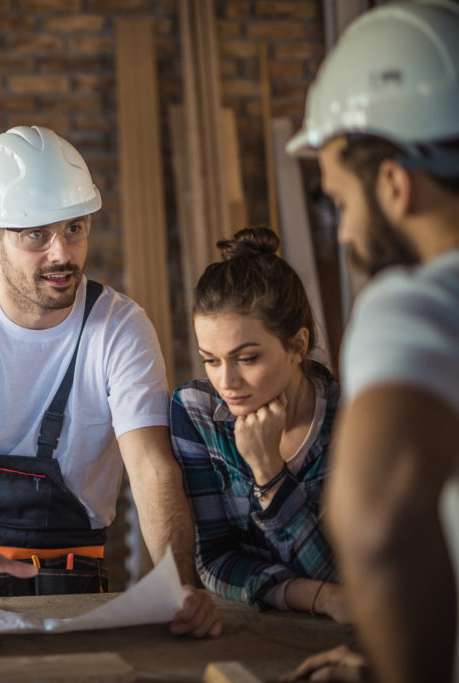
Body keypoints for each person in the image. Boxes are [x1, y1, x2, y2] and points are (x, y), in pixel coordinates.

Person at [0, 125, 222, 638]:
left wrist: (178, 584)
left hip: (73, 591)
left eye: (74, 228)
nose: (62, 254)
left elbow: (154, 472)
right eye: (36, 235)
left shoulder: (119, 329)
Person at [280, 1, 459, 680]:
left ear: (394, 183)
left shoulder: (419, 301)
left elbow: (377, 519)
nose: (346, 235)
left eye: (343, 204)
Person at [170, 227, 348, 621]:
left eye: (247, 358)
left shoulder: (350, 419)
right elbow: (213, 560)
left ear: (297, 346)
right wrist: (310, 594)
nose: (227, 383)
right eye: (211, 360)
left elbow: (344, 577)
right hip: (250, 632)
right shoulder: (196, 411)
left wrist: (269, 471)